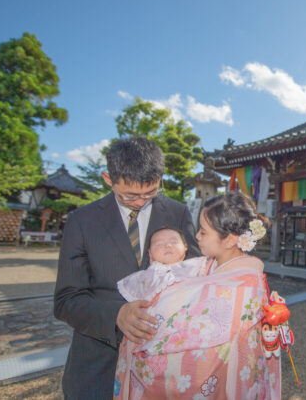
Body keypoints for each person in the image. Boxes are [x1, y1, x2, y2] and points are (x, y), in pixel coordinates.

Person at [54, 137, 200, 399]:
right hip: (99, 358)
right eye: (130, 195)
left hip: (165, 360)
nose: (141, 202)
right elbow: (66, 300)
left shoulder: (177, 213)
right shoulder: (82, 221)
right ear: (108, 178)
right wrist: (116, 315)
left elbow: (197, 275)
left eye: (151, 192)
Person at [114, 191, 281, 399]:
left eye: (203, 231)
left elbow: (194, 329)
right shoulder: (208, 265)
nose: (197, 236)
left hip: (219, 376)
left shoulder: (243, 284)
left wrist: (147, 337)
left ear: (229, 239)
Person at [117, 227, 208, 303]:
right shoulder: (144, 277)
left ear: (185, 247)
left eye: (173, 242)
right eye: (159, 244)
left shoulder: (197, 265)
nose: (168, 245)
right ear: (150, 254)